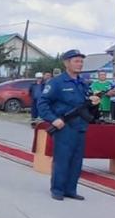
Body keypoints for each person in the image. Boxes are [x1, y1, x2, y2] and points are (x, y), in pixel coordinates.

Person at [36, 50, 100, 201]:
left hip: (80, 126)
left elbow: (87, 105)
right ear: (66, 63)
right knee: (63, 159)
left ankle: (71, 189)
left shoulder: (82, 83)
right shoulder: (56, 83)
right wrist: (53, 119)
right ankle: (58, 189)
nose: (79, 64)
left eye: (81, 61)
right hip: (64, 126)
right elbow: (42, 103)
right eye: (76, 61)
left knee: (76, 160)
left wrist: (94, 103)